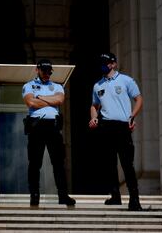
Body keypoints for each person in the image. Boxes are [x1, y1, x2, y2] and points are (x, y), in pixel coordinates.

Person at [88, 52, 143, 211]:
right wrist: (94, 118)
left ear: (113, 64)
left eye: (106, 63)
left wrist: (132, 116)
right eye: (101, 63)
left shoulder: (126, 80)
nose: (103, 66)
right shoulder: (97, 85)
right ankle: (115, 196)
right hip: (106, 126)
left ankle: (134, 200)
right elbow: (94, 105)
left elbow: (139, 99)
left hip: (122, 127)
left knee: (127, 164)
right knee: (109, 163)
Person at [22, 59, 76, 207]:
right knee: (35, 163)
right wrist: (49, 101)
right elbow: (30, 103)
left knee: (58, 163)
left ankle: (63, 195)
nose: (47, 74)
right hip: (36, 126)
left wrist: (40, 97)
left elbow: (60, 100)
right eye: (44, 71)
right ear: (37, 70)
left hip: (53, 127)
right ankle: (34, 196)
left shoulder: (57, 86)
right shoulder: (28, 85)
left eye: (49, 72)